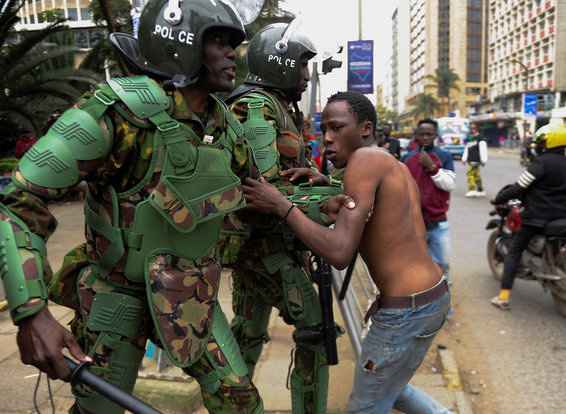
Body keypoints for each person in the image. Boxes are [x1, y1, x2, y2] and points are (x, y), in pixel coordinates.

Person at [0, 1, 264, 412]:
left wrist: (316, 202)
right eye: (219, 41)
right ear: (181, 44)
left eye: (234, 43)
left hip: (190, 297)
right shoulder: (118, 112)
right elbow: (19, 201)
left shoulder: (223, 124)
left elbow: (258, 192)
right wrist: (31, 312)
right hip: (115, 297)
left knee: (241, 403)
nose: (233, 53)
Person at [241, 91, 452, 414]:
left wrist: (281, 206)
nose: (326, 138)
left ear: (365, 128)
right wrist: (326, 183)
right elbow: (376, 212)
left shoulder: (363, 161)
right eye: (324, 128)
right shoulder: (387, 161)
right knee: (391, 389)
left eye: (337, 128)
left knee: (364, 406)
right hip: (431, 296)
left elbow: (339, 252)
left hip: (405, 311)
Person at [218, 21, 340, 413]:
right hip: (263, 247)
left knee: (248, 334)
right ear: (278, 63)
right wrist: (332, 197)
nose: (307, 76)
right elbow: (264, 189)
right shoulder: (256, 106)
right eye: (301, 66)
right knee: (317, 335)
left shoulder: (281, 107)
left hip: (267, 244)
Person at [490, 124, 566, 310]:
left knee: (514, 251)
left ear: (549, 142)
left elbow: (518, 188)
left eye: (541, 141)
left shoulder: (541, 163)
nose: (538, 145)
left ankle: (503, 297)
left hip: (536, 218)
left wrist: (498, 199)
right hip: (562, 217)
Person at [401, 118, 455, 280]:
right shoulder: (407, 158)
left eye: (429, 134)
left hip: (438, 222)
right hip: (413, 222)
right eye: (421, 134)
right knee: (413, 263)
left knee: (443, 263)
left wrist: (432, 167)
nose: (425, 137)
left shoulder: (444, 156)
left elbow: (449, 184)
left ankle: (444, 295)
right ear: (416, 135)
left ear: (435, 135)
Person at [461, 123, 487, 197]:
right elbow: (467, 148)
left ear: (477, 129)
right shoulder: (470, 137)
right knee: (476, 175)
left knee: (469, 173)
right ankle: (481, 190)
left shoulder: (480, 137)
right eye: (471, 128)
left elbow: (483, 149)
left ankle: (472, 189)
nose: (472, 130)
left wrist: (483, 160)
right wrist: (464, 159)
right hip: (471, 160)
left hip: (476, 160)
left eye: (474, 128)